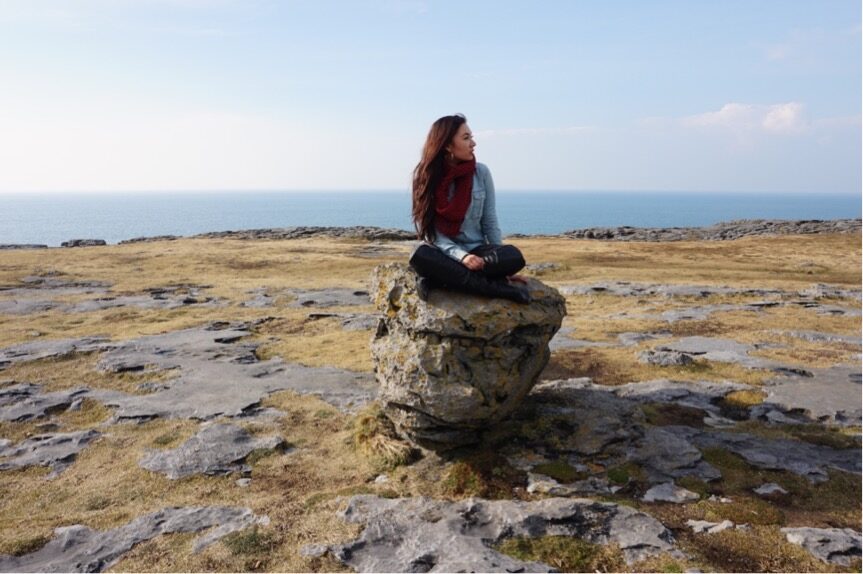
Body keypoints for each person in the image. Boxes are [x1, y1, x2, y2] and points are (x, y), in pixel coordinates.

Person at [409, 114, 531, 304]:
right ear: (447, 145)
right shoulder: (425, 178)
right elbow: (432, 233)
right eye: (466, 138)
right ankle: (497, 288)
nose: (473, 143)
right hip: (444, 252)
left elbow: (489, 221)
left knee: (513, 256)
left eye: (471, 137)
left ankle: (441, 279)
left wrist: (503, 265)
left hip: (478, 250)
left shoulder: (481, 173)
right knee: (420, 256)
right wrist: (462, 257)